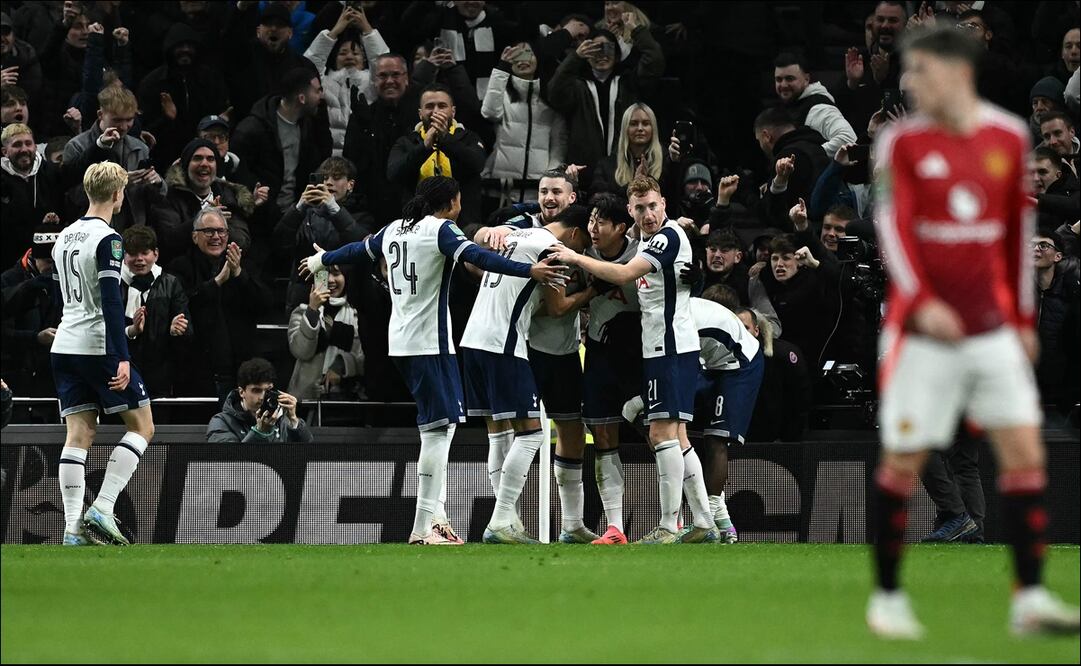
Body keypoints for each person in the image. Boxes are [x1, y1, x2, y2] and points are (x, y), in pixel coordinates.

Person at [867, 26, 1080, 638]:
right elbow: (894, 229)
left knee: (1023, 451)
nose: (910, 82)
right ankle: (886, 597)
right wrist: (921, 298)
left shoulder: (1008, 137)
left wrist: (1021, 317)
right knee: (905, 457)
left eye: (921, 71)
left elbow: (1016, 237)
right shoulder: (901, 143)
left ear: (957, 72)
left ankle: (1031, 597)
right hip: (923, 331)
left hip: (990, 329)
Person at [300, 176, 566, 545]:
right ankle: (423, 526)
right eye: (458, 201)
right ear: (451, 202)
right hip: (431, 344)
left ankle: (436, 517)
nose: (461, 208)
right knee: (438, 433)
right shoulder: (441, 230)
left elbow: (358, 250)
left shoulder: (394, 228)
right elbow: (477, 256)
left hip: (400, 343)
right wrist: (528, 270)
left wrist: (321, 258)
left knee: (438, 428)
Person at [549, 176, 718, 544]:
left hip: (670, 346)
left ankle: (669, 527)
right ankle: (704, 522)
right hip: (658, 346)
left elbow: (625, 274)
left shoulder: (666, 237)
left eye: (652, 206)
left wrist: (574, 257)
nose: (648, 214)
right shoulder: (647, 241)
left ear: (664, 205)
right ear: (630, 211)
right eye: (640, 208)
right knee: (677, 435)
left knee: (662, 435)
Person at [462, 203, 591, 545]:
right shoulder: (552, 250)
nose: (579, 256)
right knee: (532, 433)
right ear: (575, 234)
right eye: (582, 248)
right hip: (503, 342)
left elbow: (474, 263)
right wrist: (595, 290)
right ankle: (502, 519)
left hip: (473, 338)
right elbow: (558, 306)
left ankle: (510, 521)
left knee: (498, 435)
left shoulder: (515, 235)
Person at [50, 161, 154, 546]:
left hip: (64, 344)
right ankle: (103, 506)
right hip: (98, 346)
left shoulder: (63, 237)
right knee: (142, 426)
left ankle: (72, 529)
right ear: (117, 195)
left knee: (79, 434)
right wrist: (122, 353)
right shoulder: (109, 239)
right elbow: (110, 301)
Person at [578, 193, 640, 545]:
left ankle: (677, 520)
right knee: (602, 435)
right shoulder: (583, 254)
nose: (594, 228)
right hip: (601, 352)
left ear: (621, 227)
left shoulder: (642, 252)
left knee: (659, 434)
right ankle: (615, 527)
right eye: (591, 220)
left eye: (601, 221)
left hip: (641, 353)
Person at [547, 23, 665, 191]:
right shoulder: (577, 87)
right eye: (595, 49)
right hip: (583, 175)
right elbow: (554, 93)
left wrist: (637, 31)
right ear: (587, 54)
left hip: (623, 172)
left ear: (617, 55)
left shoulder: (628, 83)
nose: (602, 54)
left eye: (608, 48)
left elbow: (655, 62)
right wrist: (576, 57)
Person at [168, 208, 268, 401]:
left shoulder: (243, 264)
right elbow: (185, 305)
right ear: (195, 236)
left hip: (240, 371)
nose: (216, 237)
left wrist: (239, 274)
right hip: (197, 370)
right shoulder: (180, 267)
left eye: (221, 231)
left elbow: (264, 304)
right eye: (209, 231)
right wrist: (218, 281)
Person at [688, 285, 763, 544]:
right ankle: (718, 522)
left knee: (716, 440)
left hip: (740, 367)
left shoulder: (691, 318)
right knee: (670, 426)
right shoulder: (685, 311)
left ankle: (712, 517)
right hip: (711, 365)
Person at [231, 67, 330, 219]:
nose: (321, 96)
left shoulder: (308, 125)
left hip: (296, 215)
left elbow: (320, 158)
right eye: (317, 91)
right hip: (262, 218)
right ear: (302, 98)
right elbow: (240, 177)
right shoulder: (252, 130)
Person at [387, 83, 487, 227]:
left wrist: (446, 140)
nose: (435, 111)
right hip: (416, 224)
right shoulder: (406, 142)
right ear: (420, 113)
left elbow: (477, 164)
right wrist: (424, 147)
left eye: (442, 106)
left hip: (463, 224)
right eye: (429, 106)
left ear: (453, 112)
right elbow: (394, 174)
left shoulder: (469, 138)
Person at [481, 42, 567, 206]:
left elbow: (558, 147)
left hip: (537, 191)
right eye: (516, 55)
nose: (522, 59)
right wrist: (501, 68)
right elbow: (489, 112)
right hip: (502, 190)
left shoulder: (551, 100)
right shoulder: (503, 96)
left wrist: (549, 181)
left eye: (528, 53)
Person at [303, 4, 390, 155]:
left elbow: (383, 62)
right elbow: (309, 65)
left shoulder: (371, 84)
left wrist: (367, 30)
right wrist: (335, 31)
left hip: (364, 158)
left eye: (355, 53)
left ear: (364, 59)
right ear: (334, 58)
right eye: (343, 53)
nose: (349, 56)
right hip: (328, 158)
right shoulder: (324, 83)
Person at [120, 226, 191, 399]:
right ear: (123, 255)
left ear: (156, 254)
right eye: (133, 254)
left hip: (160, 375)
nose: (139, 259)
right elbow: (102, 329)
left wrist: (176, 330)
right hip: (121, 373)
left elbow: (187, 329)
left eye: (145, 253)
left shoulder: (171, 284)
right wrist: (131, 331)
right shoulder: (113, 284)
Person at [287, 264, 364, 402]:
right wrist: (312, 310)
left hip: (347, 397)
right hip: (304, 398)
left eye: (336, 273)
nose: (330, 280)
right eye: (323, 275)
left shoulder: (357, 314)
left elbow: (364, 354)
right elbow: (301, 351)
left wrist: (342, 364)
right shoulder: (302, 311)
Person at [738, 307, 812, 443]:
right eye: (736, 329)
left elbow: (799, 400)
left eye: (745, 328)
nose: (741, 334)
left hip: (779, 439)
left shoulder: (782, 355)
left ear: (756, 330)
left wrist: (788, 437)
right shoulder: (721, 359)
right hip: (742, 438)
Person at [0, 123, 64, 268]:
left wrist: (100, 146)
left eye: (28, 143)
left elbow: (76, 170)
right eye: (17, 145)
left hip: (46, 259)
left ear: (35, 146)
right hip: (8, 260)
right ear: (5, 151)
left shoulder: (50, 172)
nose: (24, 149)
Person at [61, 85, 152, 187]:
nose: (124, 127)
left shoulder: (140, 148)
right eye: (117, 120)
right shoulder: (76, 146)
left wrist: (157, 184)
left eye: (129, 119)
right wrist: (118, 184)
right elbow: (73, 194)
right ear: (100, 115)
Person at [206, 357, 312, 443]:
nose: (262, 397)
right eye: (256, 390)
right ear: (241, 392)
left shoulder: (280, 419)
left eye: (268, 390)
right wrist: (259, 432)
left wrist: (294, 420)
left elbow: (308, 454)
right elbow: (230, 462)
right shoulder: (221, 422)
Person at [773, 51, 858, 158]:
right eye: (778, 79)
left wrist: (806, 156)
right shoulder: (791, 105)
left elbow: (848, 139)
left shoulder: (819, 108)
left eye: (790, 79)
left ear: (807, 79)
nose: (783, 85)